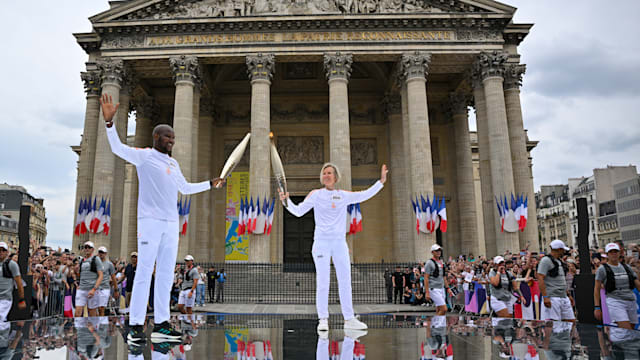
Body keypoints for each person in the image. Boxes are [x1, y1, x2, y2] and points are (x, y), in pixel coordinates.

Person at [99, 94, 224, 344]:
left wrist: (210, 184)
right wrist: (110, 124)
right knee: (145, 271)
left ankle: (162, 324)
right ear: (157, 137)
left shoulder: (173, 164)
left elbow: (185, 188)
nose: (172, 141)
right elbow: (117, 149)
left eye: (173, 138)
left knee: (166, 273)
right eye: (168, 137)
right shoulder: (144, 155)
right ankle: (135, 325)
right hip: (150, 221)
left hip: (170, 223)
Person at [280, 162, 388, 331]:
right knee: (323, 281)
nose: (326, 175)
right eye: (324, 173)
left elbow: (363, 195)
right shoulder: (316, 195)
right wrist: (286, 201)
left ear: (336, 177)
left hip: (339, 243)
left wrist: (380, 182)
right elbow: (298, 211)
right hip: (321, 243)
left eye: (329, 173)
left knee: (345, 281)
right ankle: (323, 319)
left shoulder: (342, 195)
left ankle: (349, 318)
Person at [594, 242, 640, 329]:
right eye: (611, 252)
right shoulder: (602, 269)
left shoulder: (627, 267)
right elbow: (596, 289)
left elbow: (637, 283)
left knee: (632, 329)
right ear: (607, 254)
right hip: (615, 301)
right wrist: (597, 307)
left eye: (616, 251)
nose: (614, 254)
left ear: (619, 253)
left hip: (630, 300)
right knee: (626, 328)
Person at [536, 239, 575, 322]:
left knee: (571, 321)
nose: (564, 251)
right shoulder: (545, 260)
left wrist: (568, 295)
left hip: (563, 296)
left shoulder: (558, 261)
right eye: (563, 249)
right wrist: (545, 297)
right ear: (559, 249)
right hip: (552, 297)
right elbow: (540, 278)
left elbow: (561, 280)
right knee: (554, 324)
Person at [75, 241, 104, 317]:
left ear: (92, 249)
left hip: (91, 289)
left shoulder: (96, 259)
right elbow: (81, 274)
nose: (87, 249)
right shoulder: (81, 260)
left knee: (91, 312)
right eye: (85, 247)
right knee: (77, 312)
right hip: (82, 289)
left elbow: (101, 275)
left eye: (89, 247)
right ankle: (78, 328)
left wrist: (94, 289)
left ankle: (93, 327)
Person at [424, 244, 453, 316]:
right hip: (433, 288)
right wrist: (427, 292)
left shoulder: (441, 262)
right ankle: (435, 322)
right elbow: (426, 278)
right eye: (436, 251)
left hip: (441, 288)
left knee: (439, 308)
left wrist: (448, 288)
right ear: (432, 252)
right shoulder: (429, 263)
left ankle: (437, 325)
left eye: (439, 250)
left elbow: (443, 276)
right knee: (444, 309)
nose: (438, 252)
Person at [0, 242, 26, 321]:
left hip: (5, 299)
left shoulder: (11, 264)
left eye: (3, 250)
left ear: (7, 252)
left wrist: (22, 299)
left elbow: (19, 283)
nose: (1, 252)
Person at [96, 247, 118, 316]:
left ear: (105, 254)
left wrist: (116, 290)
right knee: (96, 308)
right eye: (100, 252)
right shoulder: (95, 263)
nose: (101, 254)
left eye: (102, 252)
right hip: (96, 288)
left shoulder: (109, 264)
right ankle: (97, 323)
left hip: (105, 288)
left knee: (102, 308)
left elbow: (113, 277)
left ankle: (101, 323)